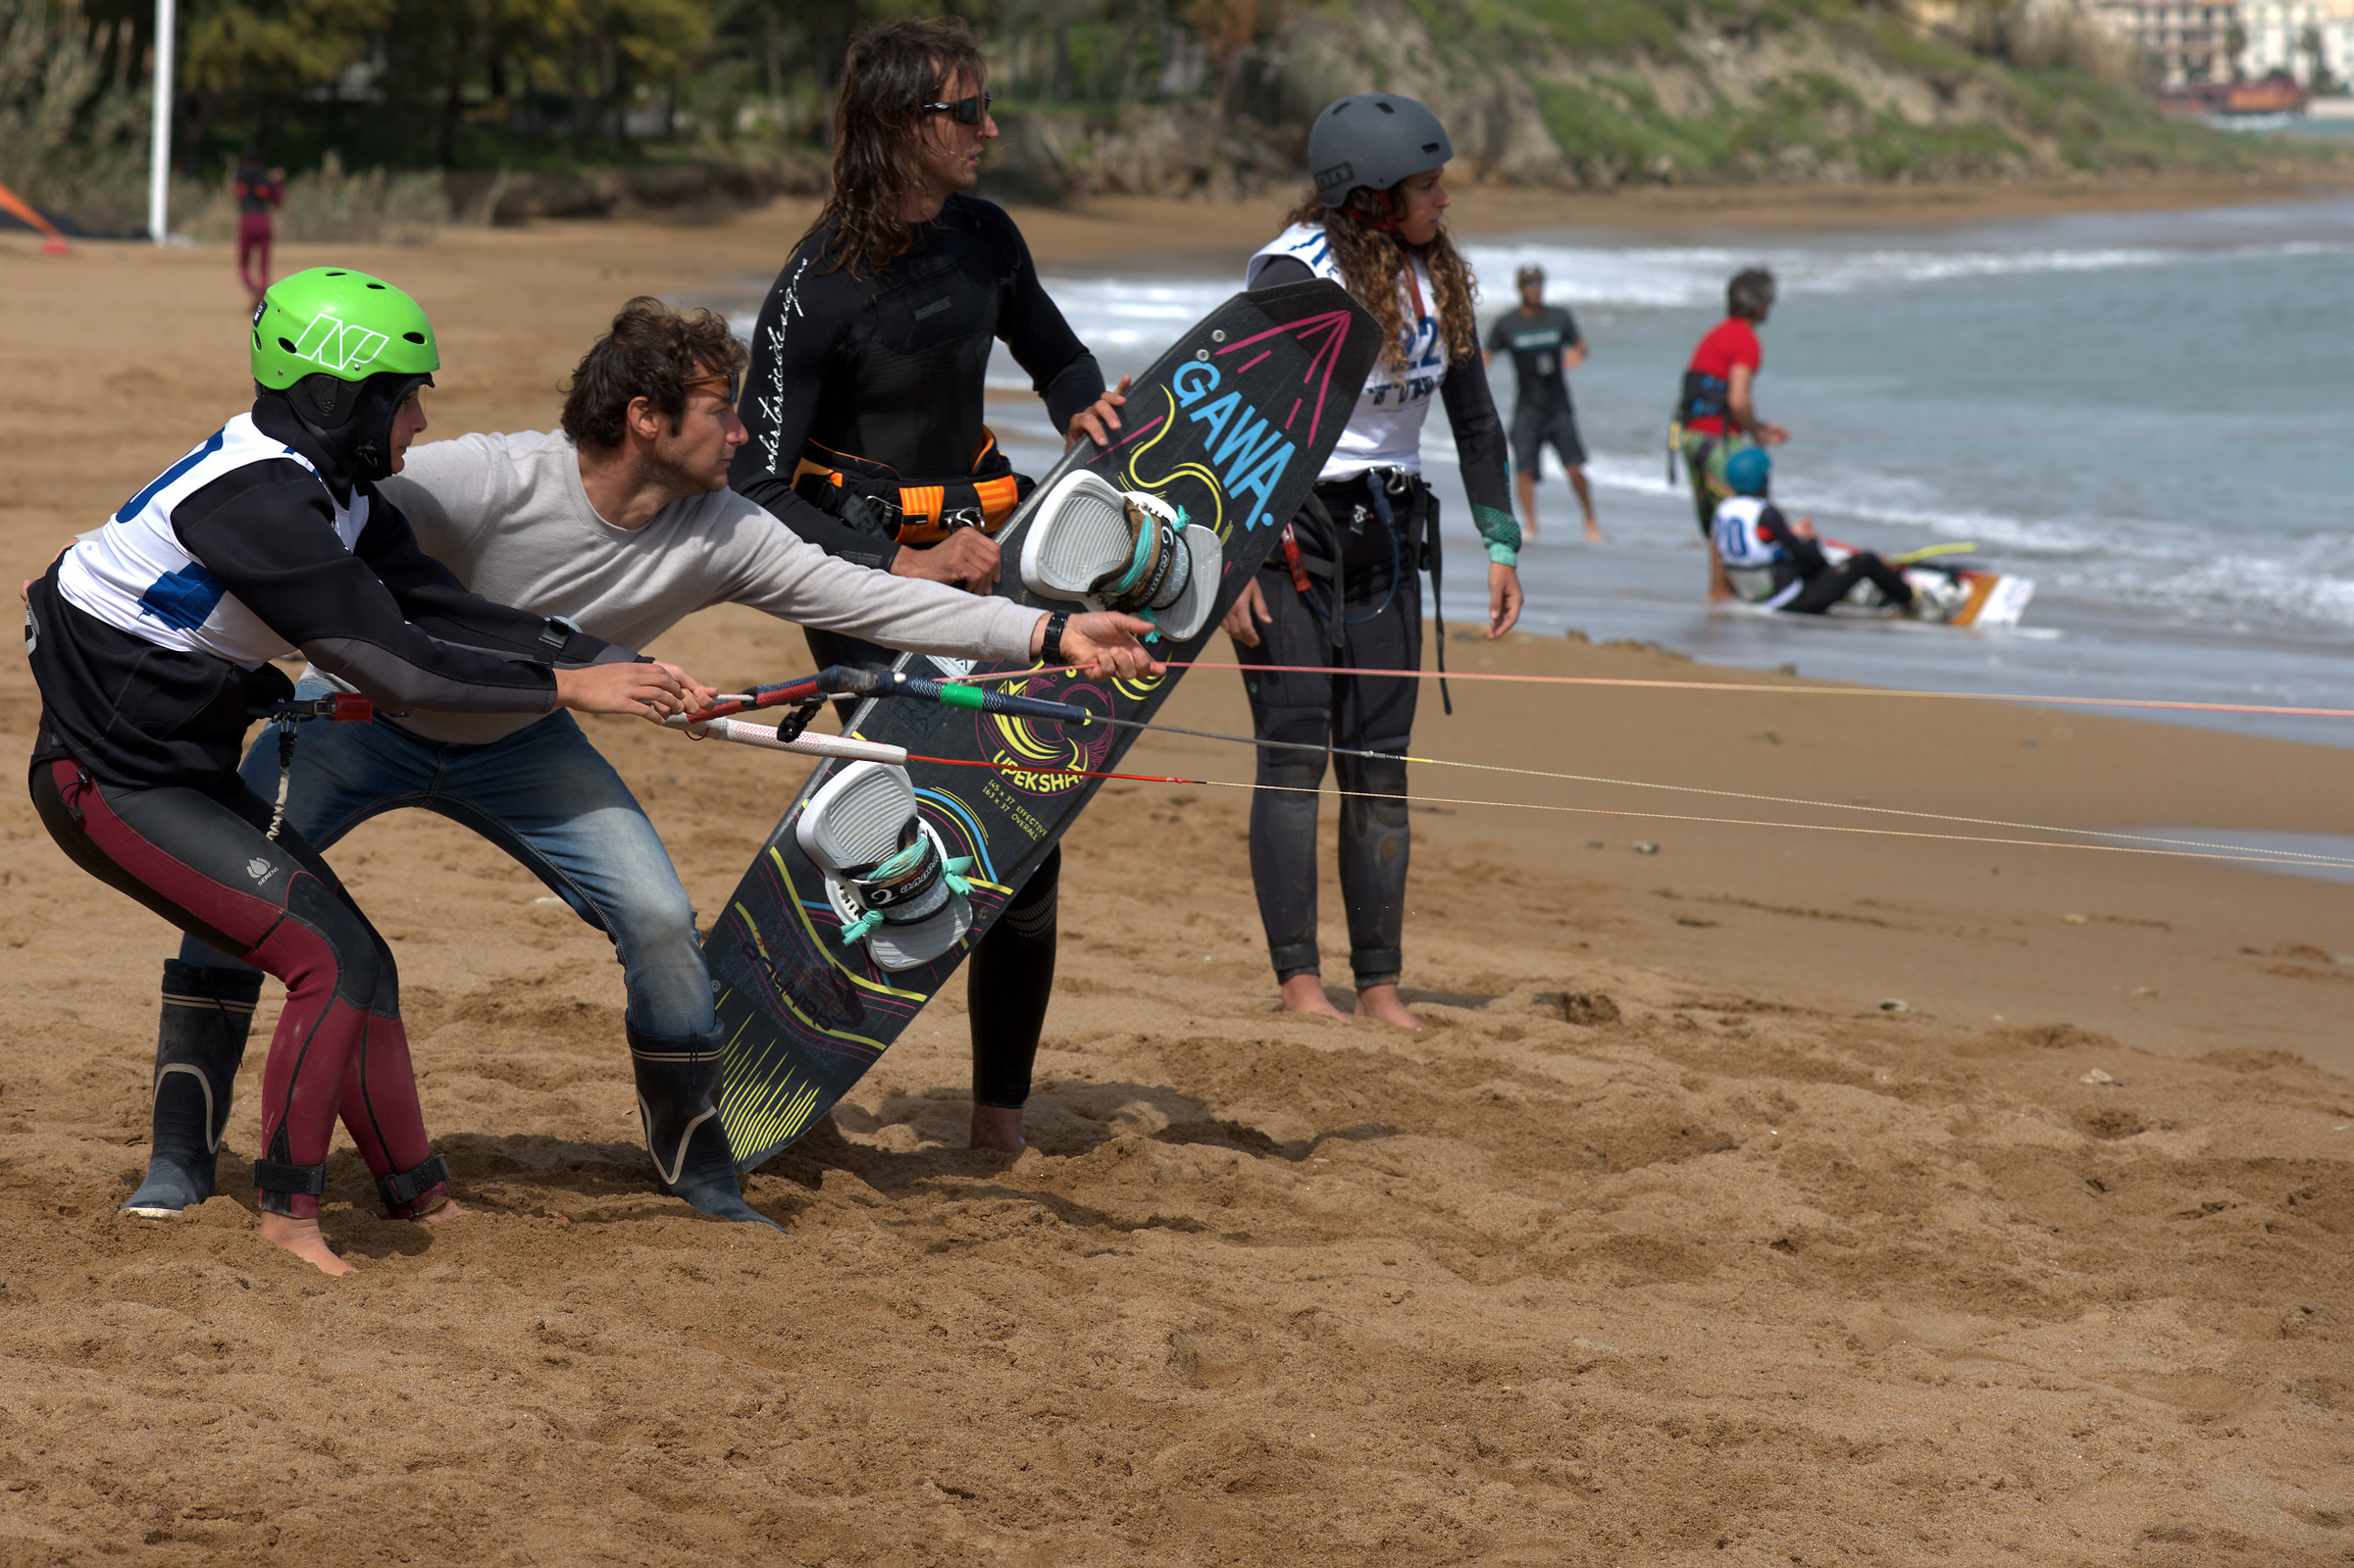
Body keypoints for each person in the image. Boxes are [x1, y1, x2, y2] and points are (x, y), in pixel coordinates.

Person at [136, 296, 1158, 1233]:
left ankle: (696, 1163)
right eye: (721, 409)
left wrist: (1046, 634)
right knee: (234, 900)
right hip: (359, 721)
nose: (745, 434)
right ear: (645, 418)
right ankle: (181, 1153)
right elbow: (299, 507)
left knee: (662, 920)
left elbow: (871, 598)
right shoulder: (485, 481)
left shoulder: (725, 532)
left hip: (523, 741)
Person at [24, 267, 708, 1276]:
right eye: (406, 397)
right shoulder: (257, 502)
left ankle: (417, 1194)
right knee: (329, 960)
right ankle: (287, 1213)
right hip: (111, 787)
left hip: (176, 771)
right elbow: (394, 665)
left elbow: (441, 608)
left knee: (361, 959)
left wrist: (616, 662)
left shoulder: (330, 490)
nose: (421, 420)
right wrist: (569, 690)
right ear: (335, 396)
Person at [731, 17, 1130, 1152]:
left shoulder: (985, 239)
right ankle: (801, 1081)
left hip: (982, 560)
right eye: (969, 111)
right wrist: (897, 563)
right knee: (889, 834)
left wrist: (1087, 406)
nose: (989, 130)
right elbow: (752, 486)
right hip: (862, 578)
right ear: (905, 124)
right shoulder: (817, 287)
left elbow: (1058, 358)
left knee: (1021, 838)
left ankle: (999, 1118)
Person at [1221, 93, 1523, 1031]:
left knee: (1380, 763)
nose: (1443, 200)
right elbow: (1230, 419)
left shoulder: (1439, 276)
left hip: (1389, 536)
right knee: (1295, 751)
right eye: (1427, 186)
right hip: (1289, 537)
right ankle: (1301, 985)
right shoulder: (1296, 273)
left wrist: (1501, 542)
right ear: (1371, 196)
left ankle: (1381, 984)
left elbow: (1476, 420)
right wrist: (1232, 562)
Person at [1674, 268, 1787, 601]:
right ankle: (1722, 593)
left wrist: (1758, 426)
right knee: (1739, 511)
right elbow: (1738, 400)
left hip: (1690, 437)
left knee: (1716, 520)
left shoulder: (1715, 335)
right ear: (1760, 304)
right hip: (1716, 439)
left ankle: (1720, 592)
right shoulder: (1746, 340)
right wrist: (1758, 433)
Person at [1710, 447, 1916, 616]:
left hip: (1752, 594)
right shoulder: (1767, 513)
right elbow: (1813, 559)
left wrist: (1791, 535)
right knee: (1865, 561)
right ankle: (1912, 599)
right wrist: (1810, 540)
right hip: (1789, 600)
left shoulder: (1723, 510)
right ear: (1762, 479)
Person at [1484, 264, 1600, 544]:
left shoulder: (1559, 316)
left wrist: (1577, 353)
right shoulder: (1507, 323)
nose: (1535, 288)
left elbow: (1580, 343)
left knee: (1574, 467)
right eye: (1529, 283)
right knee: (1524, 468)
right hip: (1527, 407)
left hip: (1559, 407)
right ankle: (1532, 526)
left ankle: (1591, 521)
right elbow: (1487, 355)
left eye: (1538, 282)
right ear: (1519, 288)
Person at [233, 148, 284, 307]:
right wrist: (277, 183)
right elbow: (278, 202)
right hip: (263, 221)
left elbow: (239, 197)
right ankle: (262, 293)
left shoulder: (240, 177)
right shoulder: (267, 179)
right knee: (263, 264)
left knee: (243, 264)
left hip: (247, 220)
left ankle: (254, 290)